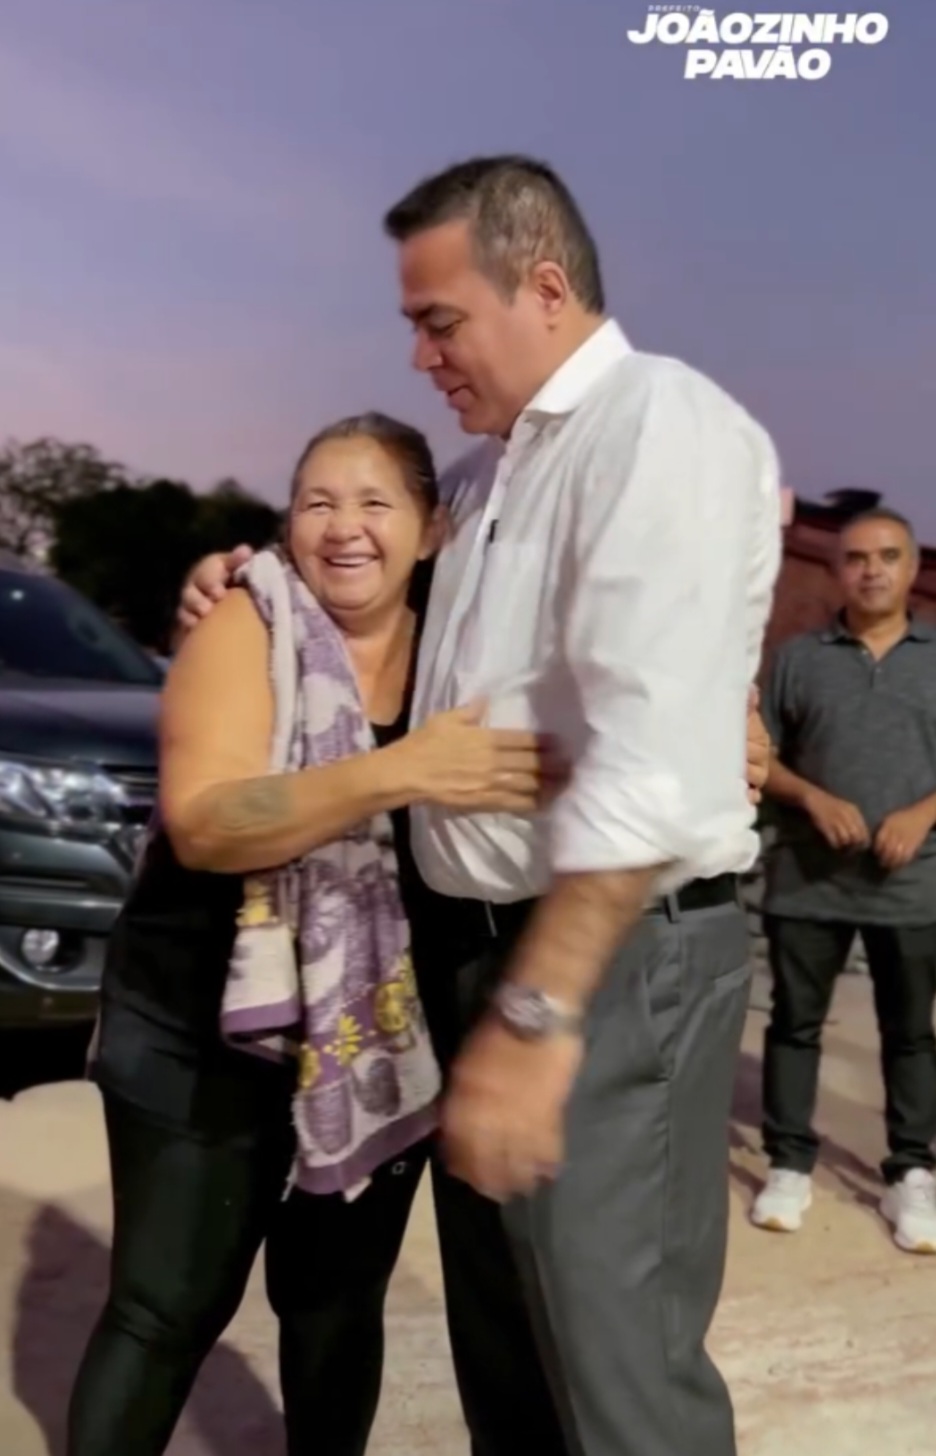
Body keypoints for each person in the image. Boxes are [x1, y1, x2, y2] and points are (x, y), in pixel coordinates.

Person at [182, 154, 781, 1456]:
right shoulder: (488, 477)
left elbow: (651, 764)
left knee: (613, 1382)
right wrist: (238, 571)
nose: (420, 355)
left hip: (608, 955)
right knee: (509, 1362)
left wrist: (537, 1010)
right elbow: (358, 552)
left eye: (438, 319)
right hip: (483, 951)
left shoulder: (655, 429)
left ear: (545, 287)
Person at [68, 411, 562, 1456]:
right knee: (167, 1307)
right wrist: (401, 769)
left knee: (335, 1310)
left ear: (430, 530)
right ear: (286, 524)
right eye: (317, 502)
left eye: (376, 502)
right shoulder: (251, 622)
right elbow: (205, 825)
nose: (345, 528)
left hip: (371, 1032)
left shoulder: (461, 644)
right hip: (198, 1021)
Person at [750, 508, 936, 1253]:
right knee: (794, 1025)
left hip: (912, 883)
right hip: (808, 878)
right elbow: (761, 756)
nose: (871, 570)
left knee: (911, 1036)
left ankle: (910, 1176)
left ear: (912, 564)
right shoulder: (798, 658)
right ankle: (789, 1163)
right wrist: (813, 798)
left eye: (887, 556)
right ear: (836, 570)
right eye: (855, 558)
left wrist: (923, 814)